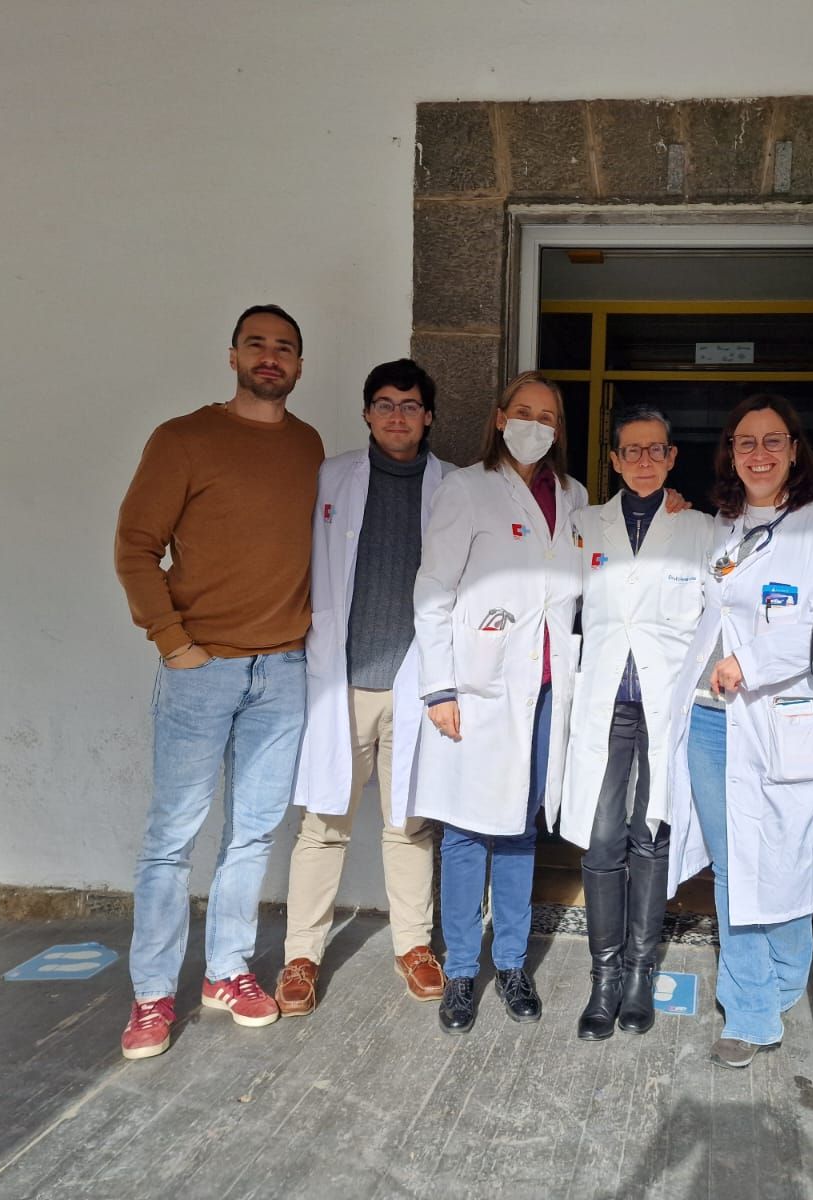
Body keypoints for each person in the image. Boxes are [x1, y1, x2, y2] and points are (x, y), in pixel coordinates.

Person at [113, 304, 324, 1060]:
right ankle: (151, 994)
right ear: (233, 354)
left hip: (284, 671)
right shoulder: (183, 439)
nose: (271, 358)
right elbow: (136, 545)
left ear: (300, 365)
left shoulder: (307, 445)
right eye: (258, 345)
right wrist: (173, 644)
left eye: (285, 348)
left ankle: (226, 971)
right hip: (202, 669)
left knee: (254, 833)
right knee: (171, 839)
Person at [666, 393, 813, 1069]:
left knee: (788, 858)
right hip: (715, 725)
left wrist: (756, 662)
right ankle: (750, 1012)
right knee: (733, 867)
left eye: (773, 441)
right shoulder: (725, 524)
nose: (760, 454)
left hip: (784, 718)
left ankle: (783, 981)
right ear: (731, 453)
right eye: (746, 442)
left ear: (795, 450)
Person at [411, 370, 587, 1034]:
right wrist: (440, 686)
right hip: (477, 690)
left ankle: (511, 963)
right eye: (524, 412)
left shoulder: (574, 497)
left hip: (544, 691)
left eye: (548, 416)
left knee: (519, 828)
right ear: (498, 416)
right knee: (464, 833)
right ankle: (461, 971)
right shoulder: (466, 488)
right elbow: (433, 589)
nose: (536, 425)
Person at [275, 359, 450, 1017]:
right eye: (384, 404)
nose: (397, 416)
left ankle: (413, 944)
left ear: (428, 415)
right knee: (322, 825)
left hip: (416, 681)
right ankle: (301, 956)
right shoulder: (333, 477)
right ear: (367, 413)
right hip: (340, 682)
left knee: (409, 824)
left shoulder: (453, 486)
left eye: (410, 404)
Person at [559, 407, 713, 1040]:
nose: (645, 460)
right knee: (601, 841)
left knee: (651, 836)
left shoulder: (701, 528)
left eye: (656, 450)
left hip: (666, 707)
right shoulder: (582, 525)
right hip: (604, 706)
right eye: (632, 451)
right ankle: (604, 977)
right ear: (615, 461)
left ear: (673, 457)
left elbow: (720, 614)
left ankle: (641, 975)